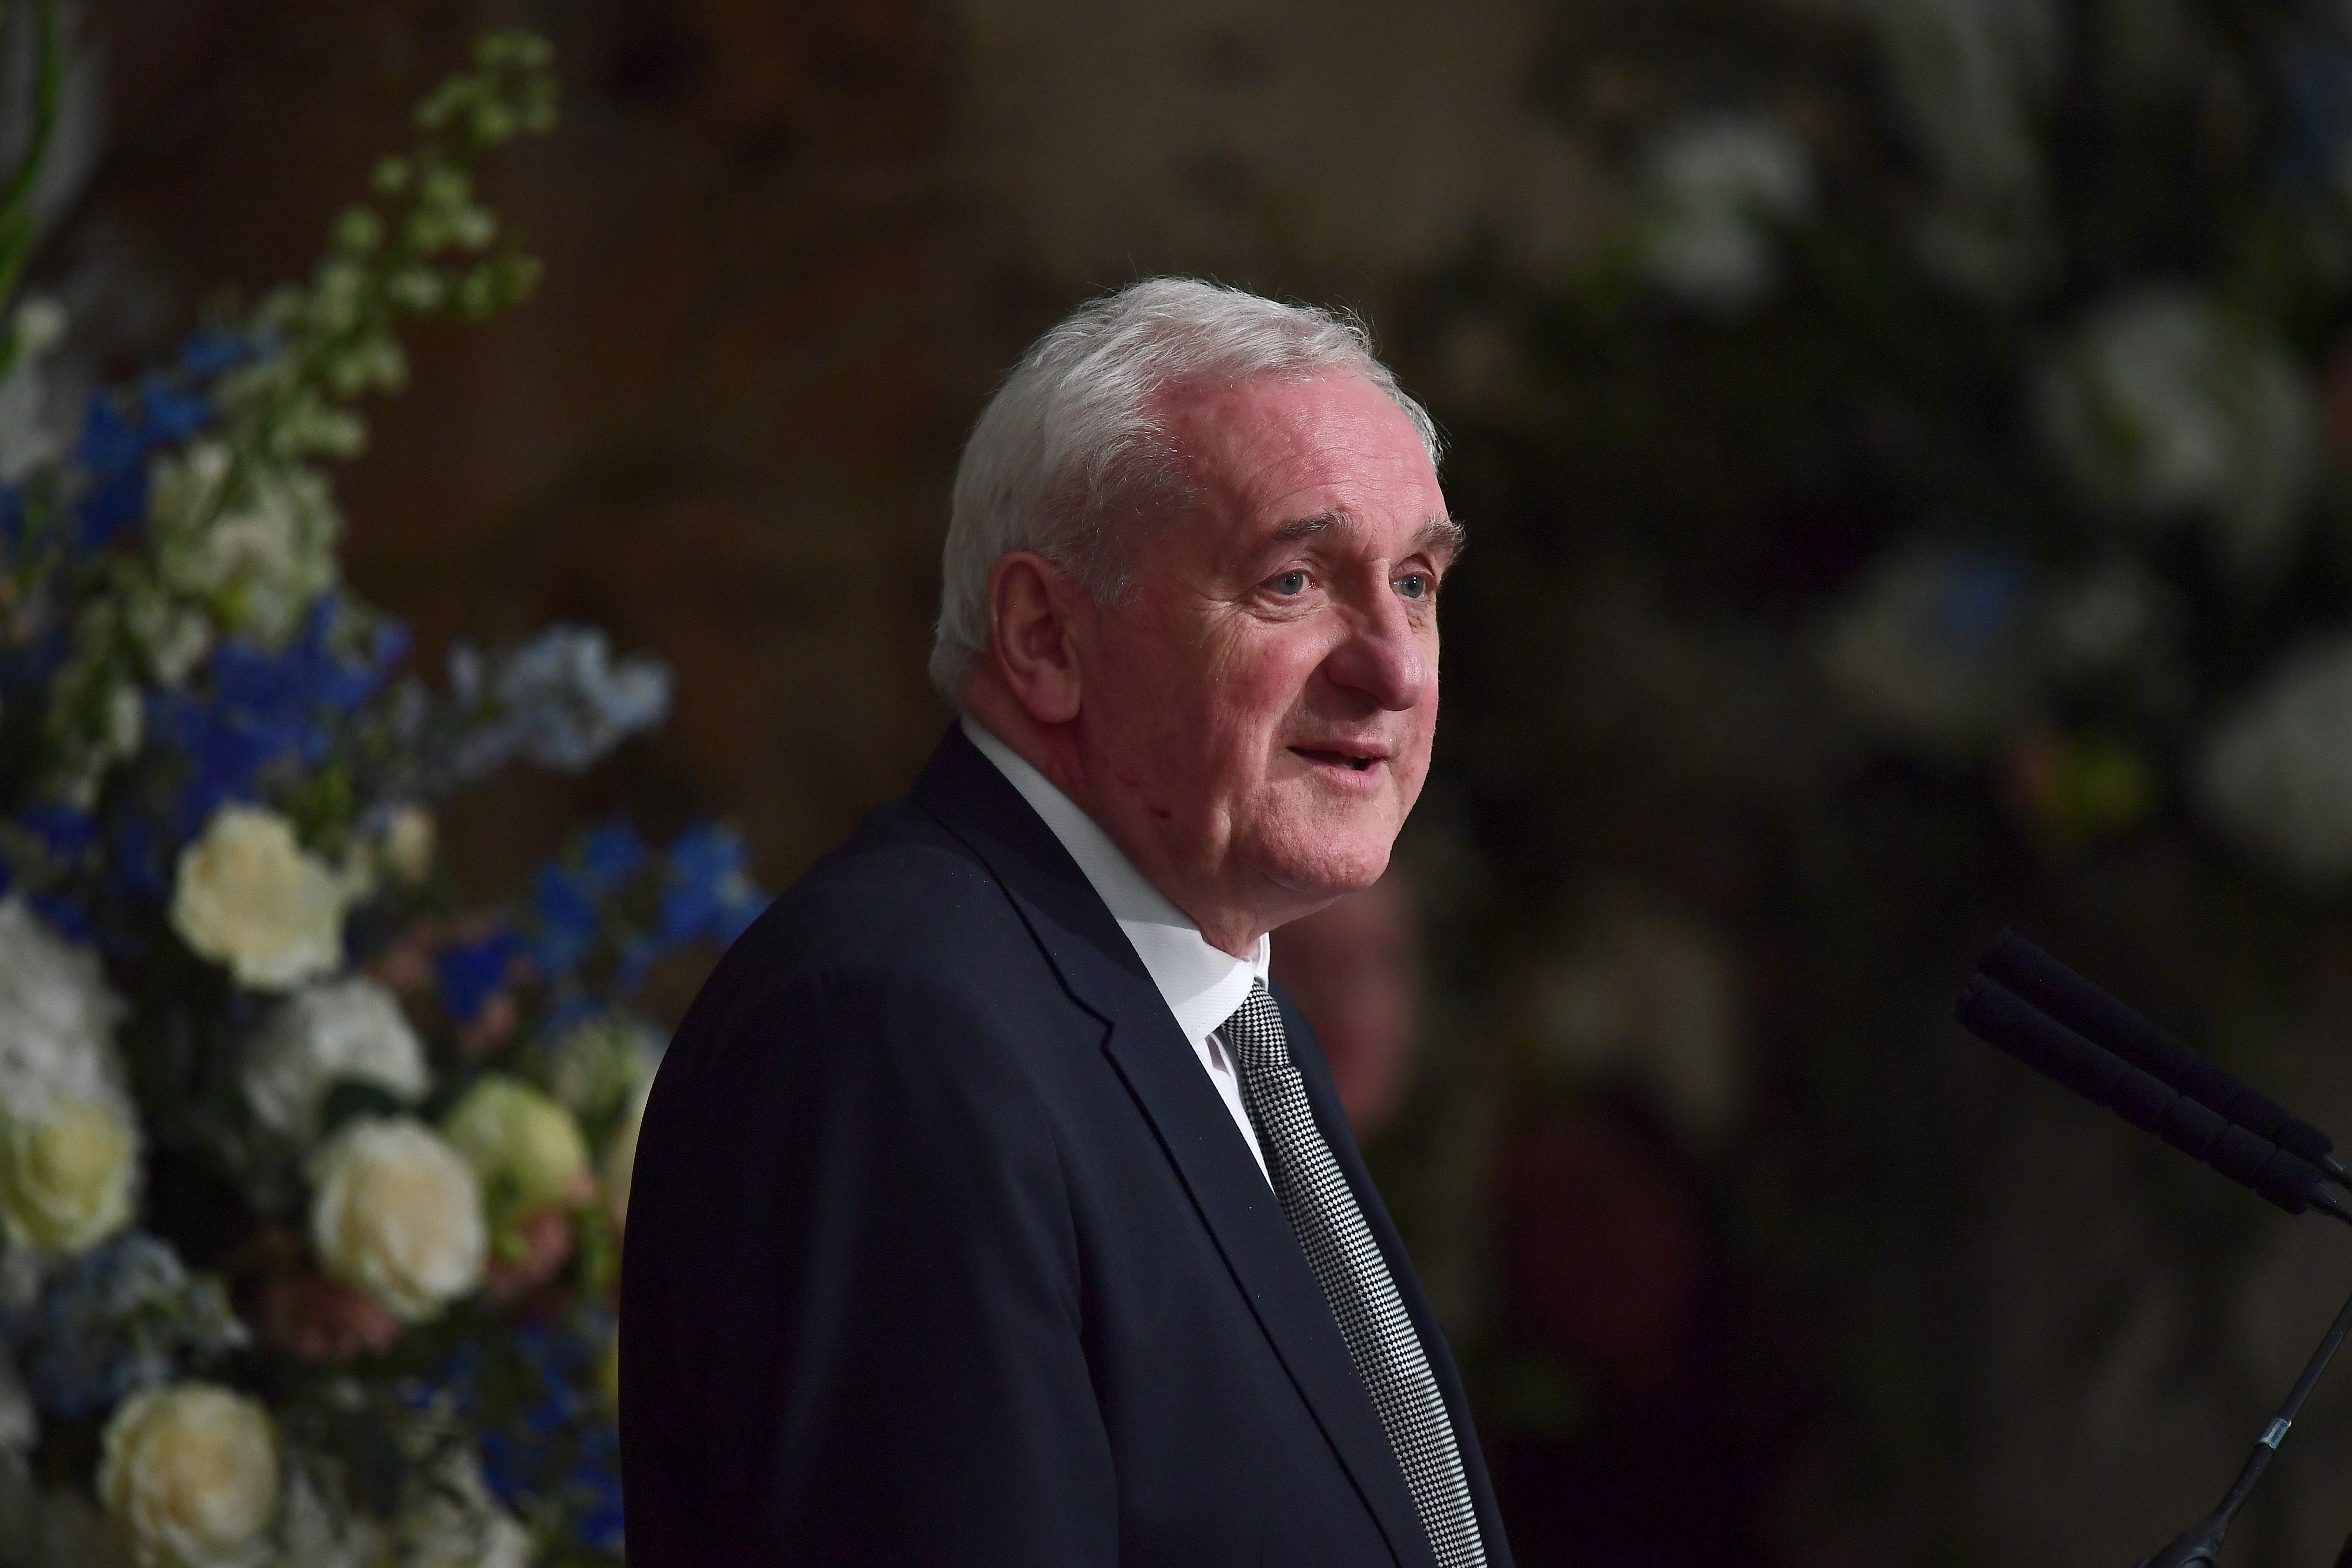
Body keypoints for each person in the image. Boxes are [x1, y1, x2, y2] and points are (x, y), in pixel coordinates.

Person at [619, 277, 1511, 1567]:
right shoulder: (897, 1028)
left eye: (1418, 582)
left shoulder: (1235, 1021)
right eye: (1296, 579)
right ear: (1045, 634)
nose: (1398, 666)